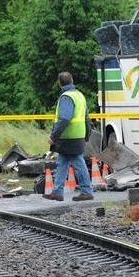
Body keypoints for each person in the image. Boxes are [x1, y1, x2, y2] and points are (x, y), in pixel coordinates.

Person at [45, 72, 94, 201]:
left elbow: (65, 118)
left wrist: (53, 137)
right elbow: (86, 119)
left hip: (69, 137)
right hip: (77, 136)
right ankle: (57, 192)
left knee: (78, 162)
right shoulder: (79, 95)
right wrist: (86, 137)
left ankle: (87, 191)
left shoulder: (66, 97)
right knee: (62, 162)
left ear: (59, 83)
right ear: (72, 80)